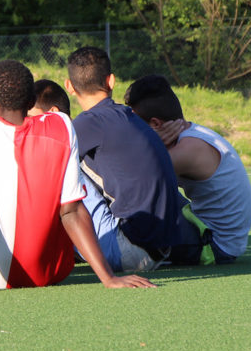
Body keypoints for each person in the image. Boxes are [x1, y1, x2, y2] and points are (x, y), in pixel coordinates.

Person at [0, 60, 155, 295]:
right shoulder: (61, 125)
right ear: (31, 101)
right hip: (48, 273)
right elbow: (71, 211)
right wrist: (109, 278)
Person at [64, 46, 199, 272]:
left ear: (69, 86)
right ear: (111, 81)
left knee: (63, 169)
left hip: (129, 251)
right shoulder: (132, 118)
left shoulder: (87, 123)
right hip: (163, 249)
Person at [124, 74, 251, 263]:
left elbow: (128, 177)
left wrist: (153, 147)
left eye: (136, 126)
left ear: (155, 124)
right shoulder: (191, 133)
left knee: (127, 203)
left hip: (215, 246)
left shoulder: (189, 150)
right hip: (207, 229)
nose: (133, 133)